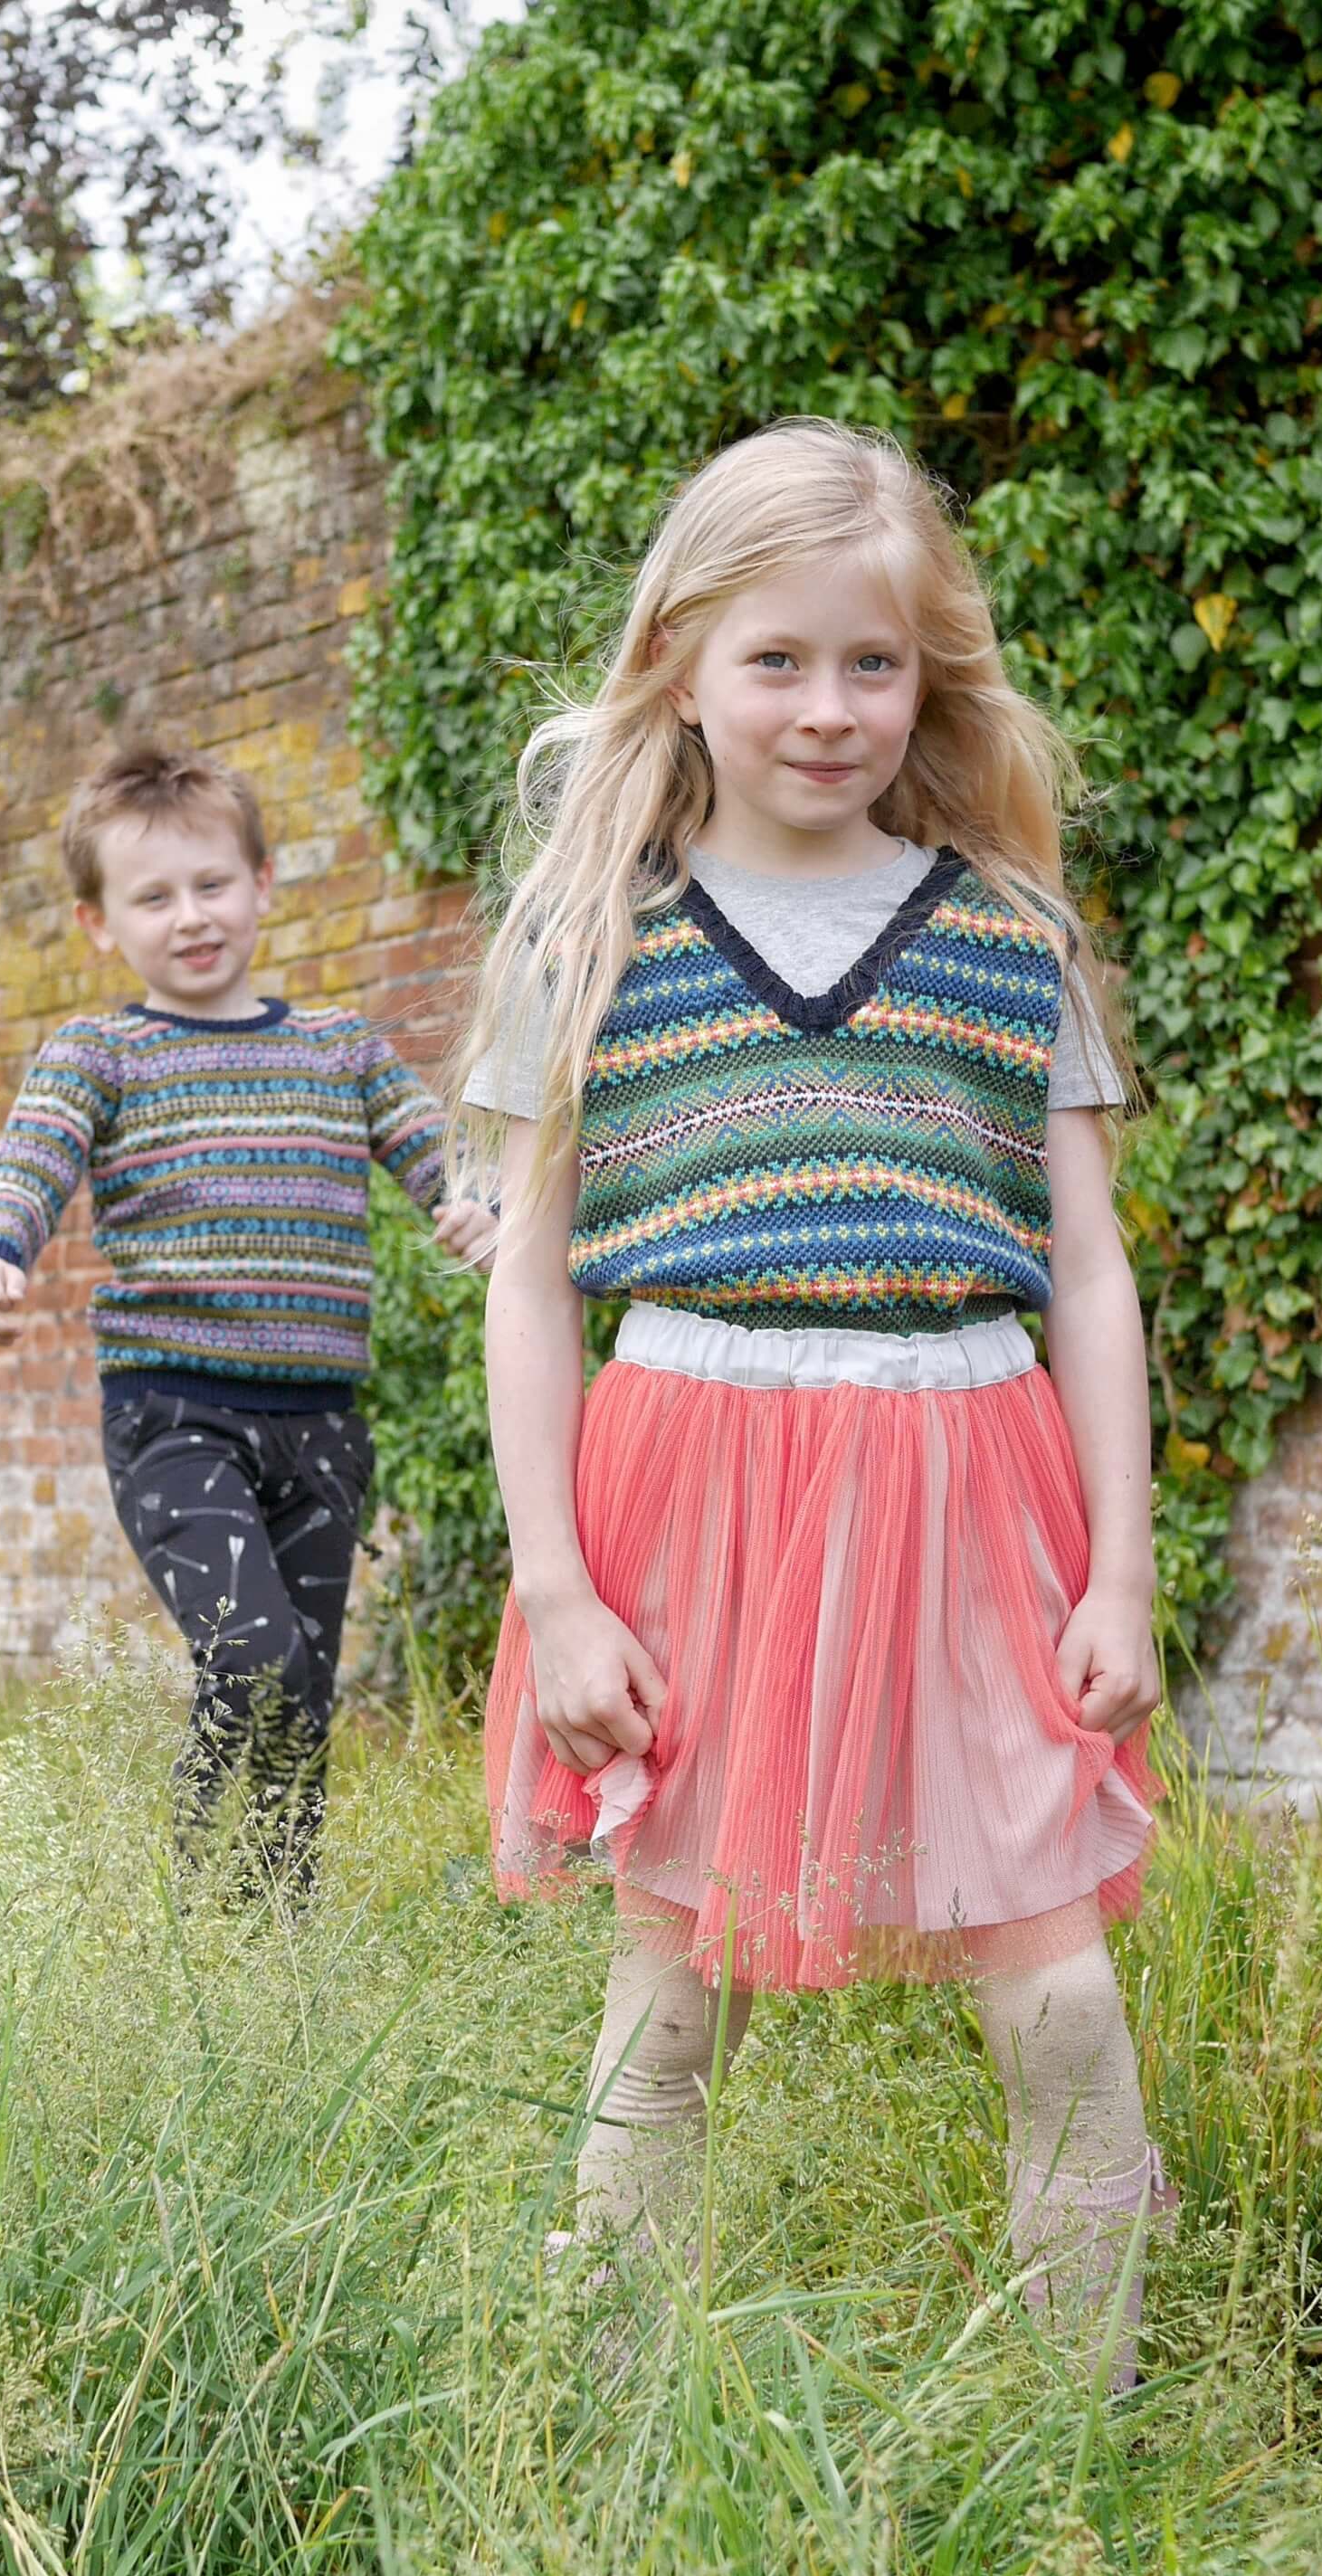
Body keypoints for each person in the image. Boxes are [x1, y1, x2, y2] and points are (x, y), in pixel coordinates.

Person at [460, 421, 1175, 2389]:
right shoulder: (587, 934)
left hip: (972, 1488)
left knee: (1059, 2011)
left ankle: (1086, 2448)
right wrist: (557, 1588)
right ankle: (593, 2427)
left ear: (929, 672)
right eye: (778, 660)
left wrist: (1122, 1569)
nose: (831, 706)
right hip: (692, 1488)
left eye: (875, 663)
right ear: (680, 657)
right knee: (670, 2007)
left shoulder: (1014, 941)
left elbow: (1092, 1274)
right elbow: (532, 1280)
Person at [0, 746, 494, 1889]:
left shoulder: (339, 1048)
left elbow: (442, 1159)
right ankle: (206, 1900)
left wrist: (476, 1210)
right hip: (173, 1412)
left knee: (300, 1682)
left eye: (212, 884)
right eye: (152, 897)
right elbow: (26, 1166)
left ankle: (264, 1932)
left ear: (262, 880)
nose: (190, 917)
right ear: (99, 923)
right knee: (253, 1654)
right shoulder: (101, 1054)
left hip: (324, 1425)